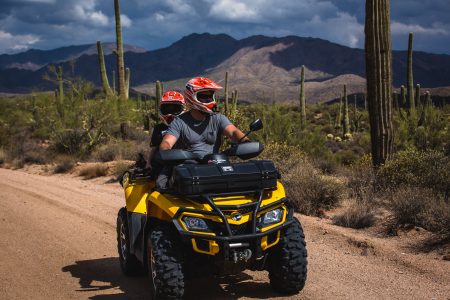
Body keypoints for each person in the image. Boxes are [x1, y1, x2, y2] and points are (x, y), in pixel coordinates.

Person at [157, 77, 249, 189]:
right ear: (192, 97)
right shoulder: (179, 122)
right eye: (203, 96)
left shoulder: (218, 118)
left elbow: (233, 131)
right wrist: (166, 150)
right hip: (188, 169)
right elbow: (167, 141)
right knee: (161, 186)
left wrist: (245, 141)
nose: (208, 100)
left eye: (210, 96)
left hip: (215, 167)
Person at [147, 90, 185, 178]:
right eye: (166, 109)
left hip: (184, 162)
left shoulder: (187, 126)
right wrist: (148, 163)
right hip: (164, 163)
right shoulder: (159, 128)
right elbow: (154, 148)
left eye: (175, 109)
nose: (170, 113)